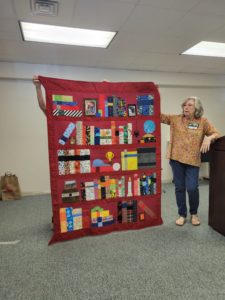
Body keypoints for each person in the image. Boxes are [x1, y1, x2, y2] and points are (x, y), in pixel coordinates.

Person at [161, 97, 220, 226]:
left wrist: (208, 138)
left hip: (193, 161)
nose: (186, 107)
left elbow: (216, 133)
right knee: (179, 187)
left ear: (196, 109)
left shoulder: (203, 122)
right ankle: (182, 214)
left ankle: (194, 213)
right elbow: (159, 116)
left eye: (190, 105)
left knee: (192, 188)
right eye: (185, 105)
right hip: (176, 159)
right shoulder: (176, 119)